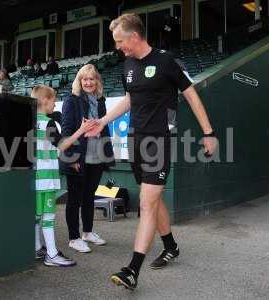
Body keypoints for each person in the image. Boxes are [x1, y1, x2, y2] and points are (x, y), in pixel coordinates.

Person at [85, 13, 218, 290]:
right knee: (152, 199)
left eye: (121, 41)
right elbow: (130, 99)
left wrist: (209, 133)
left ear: (135, 36)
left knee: (146, 203)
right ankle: (170, 245)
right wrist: (103, 122)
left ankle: (132, 269)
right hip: (135, 140)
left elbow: (191, 94)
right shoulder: (128, 64)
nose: (119, 47)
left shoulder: (165, 61)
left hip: (159, 141)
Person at [33, 85, 97, 267]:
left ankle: (37, 248)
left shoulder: (28, 121)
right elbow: (62, 145)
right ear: (45, 100)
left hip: (34, 178)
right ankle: (52, 255)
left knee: (36, 216)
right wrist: (81, 130)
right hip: (46, 179)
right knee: (48, 217)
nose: (54, 105)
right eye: (53, 101)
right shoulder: (48, 123)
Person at [61, 64, 115, 253]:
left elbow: (104, 128)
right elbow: (67, 132)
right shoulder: (71, 101)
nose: (88, 82)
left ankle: (88, 232)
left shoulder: (100, 101)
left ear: (97, 81)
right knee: (74, 198)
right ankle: (74, 238)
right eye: (85, 79)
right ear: (79, 81)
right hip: (78, 157)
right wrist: (71, 158)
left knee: (89, 196)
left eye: (92, 79)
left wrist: (108, 154)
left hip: (97, 156)